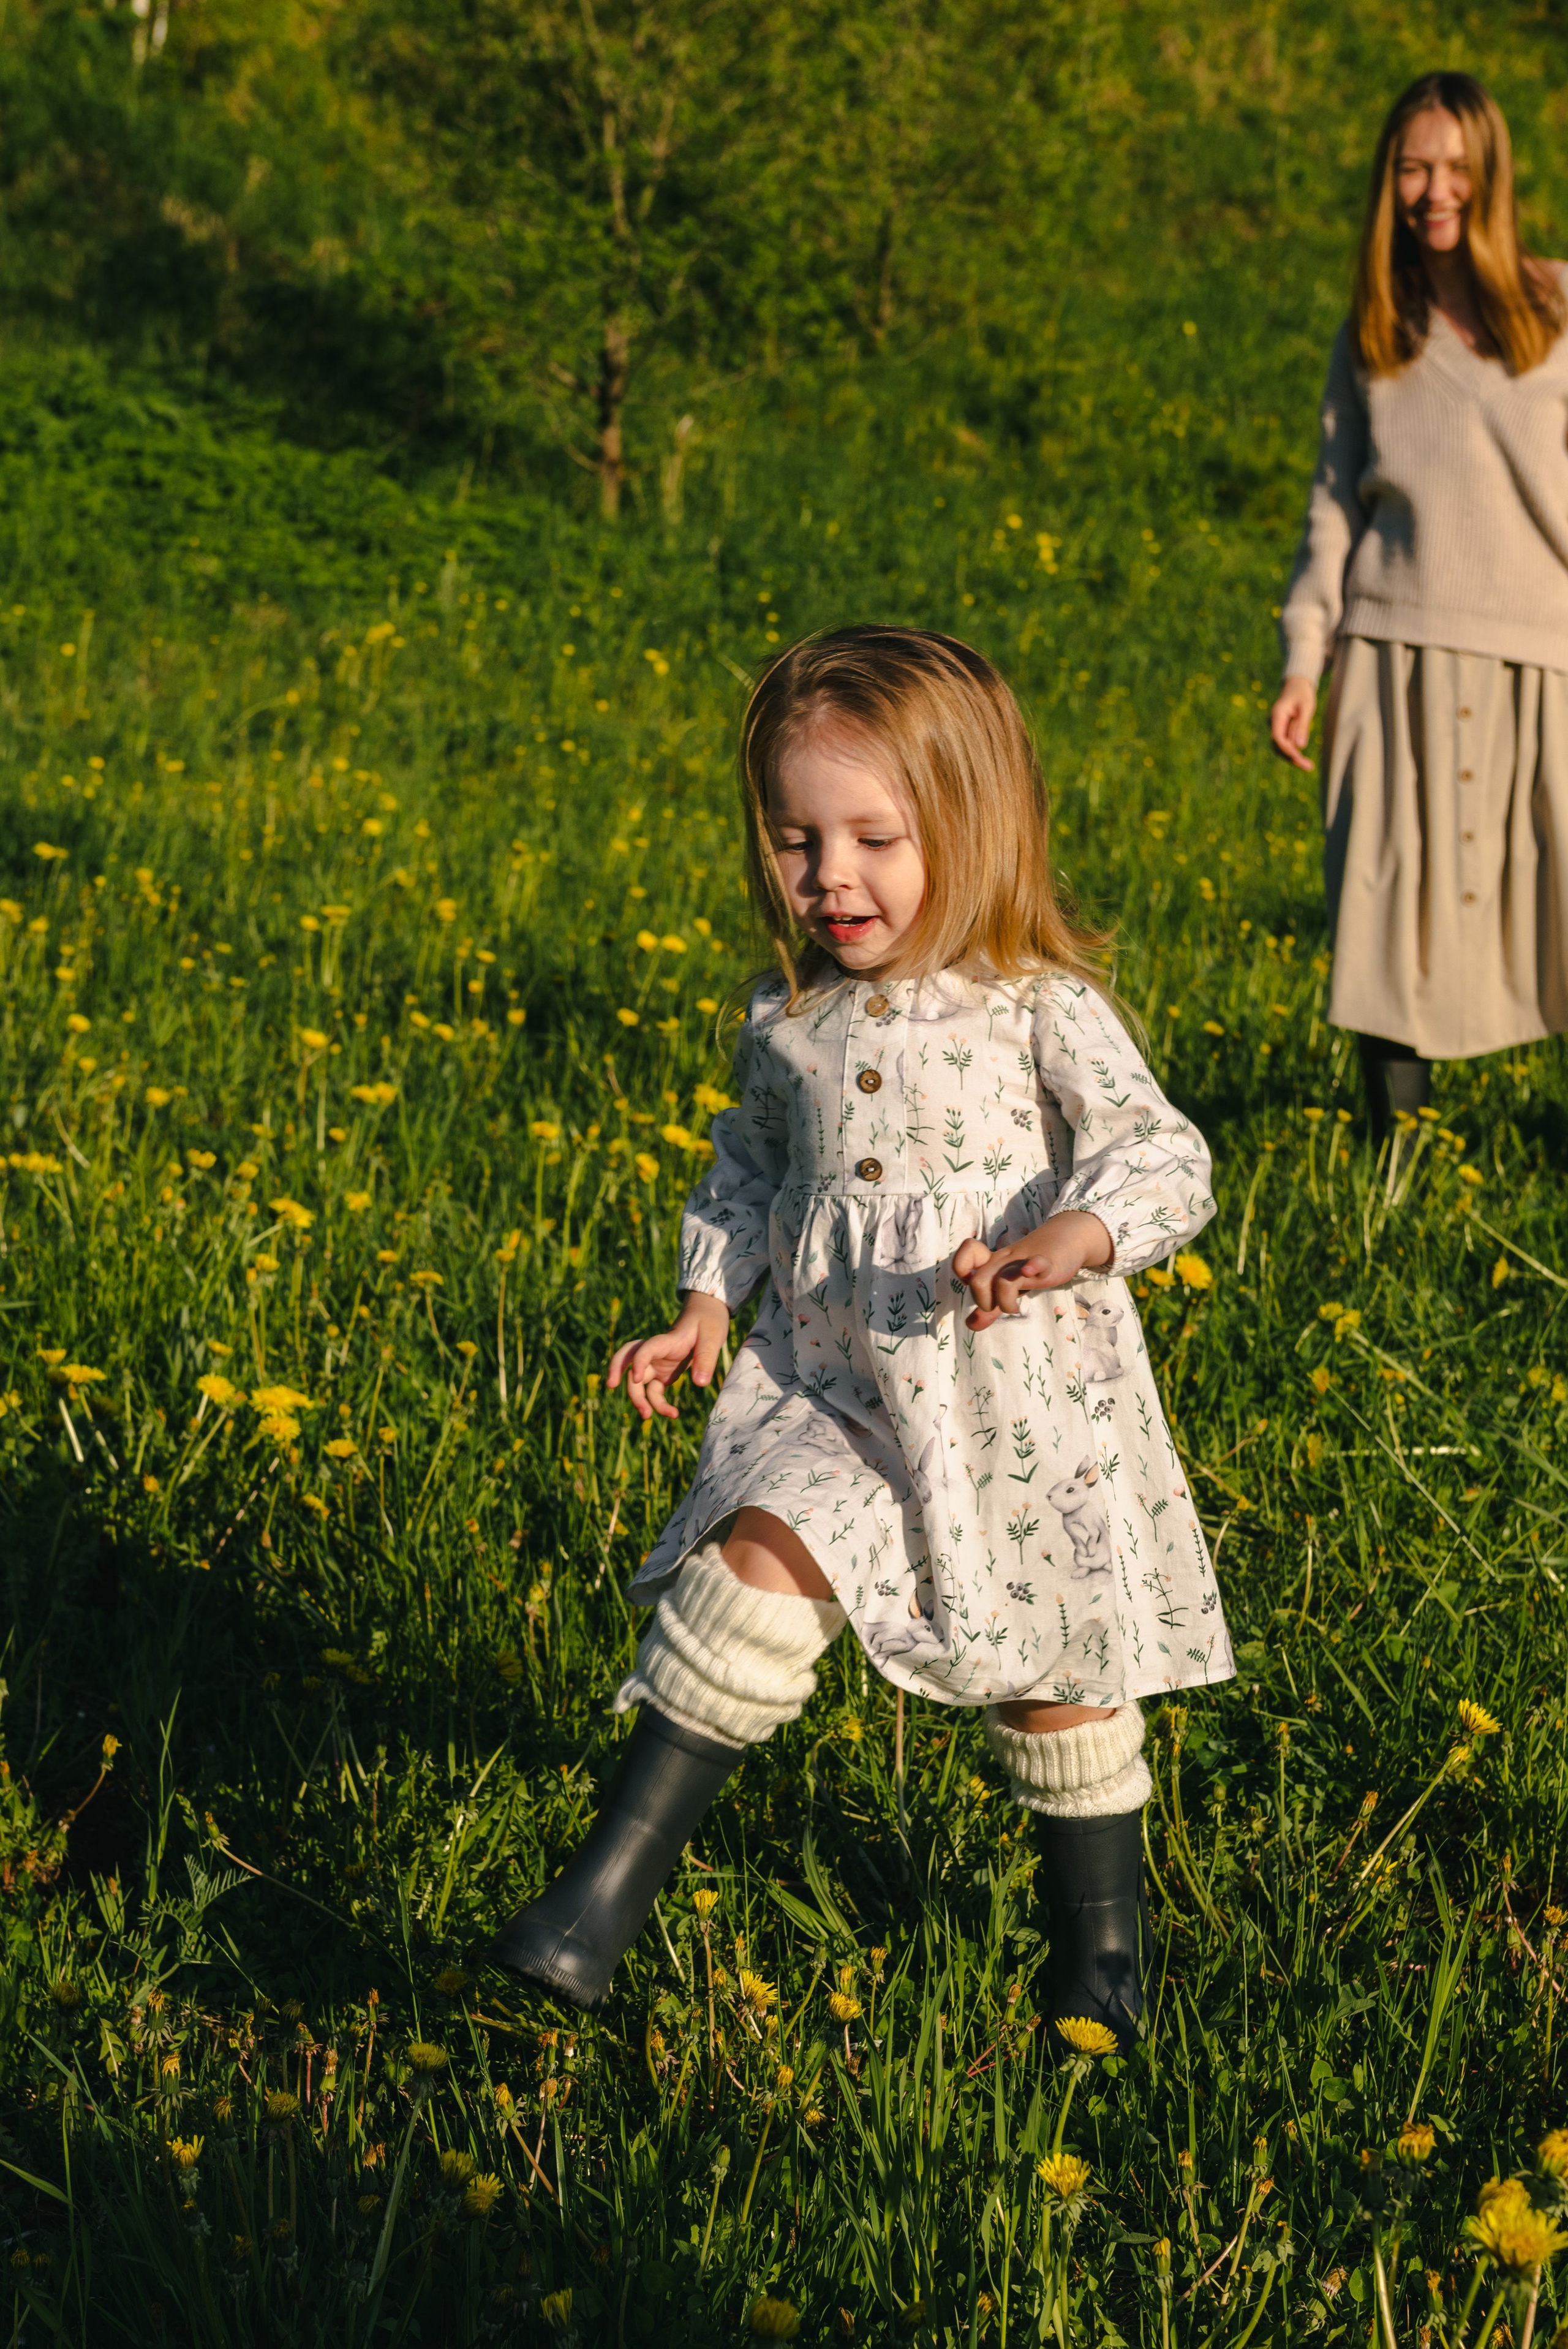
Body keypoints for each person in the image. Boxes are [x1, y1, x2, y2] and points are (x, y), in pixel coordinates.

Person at [493, 627, 1234, 2044]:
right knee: (748, 1572)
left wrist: (1066, 1241)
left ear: (970, 825)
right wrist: (706, 1303)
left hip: (1006, 1396)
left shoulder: (1037, 1007)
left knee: (1049, 1688)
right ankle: (596, 1902)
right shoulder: (790, 1020)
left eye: (873, 839)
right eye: (794, 840)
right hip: (830, 1382)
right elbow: (752, 1175)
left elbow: (1160, 1157)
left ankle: (1102, 1962)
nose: (830, 877)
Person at [1270, 72, 1568, 1143]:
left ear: (1490, 175)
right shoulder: (1374, 334)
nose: (1432, 190)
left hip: (1547, 658)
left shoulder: (1561, 308)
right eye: (1411, 167)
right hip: (1392, 652)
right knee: (1386, 913)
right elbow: (1331, 511)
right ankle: (1396, 1164)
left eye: (1452, 167)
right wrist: (1305, 662)